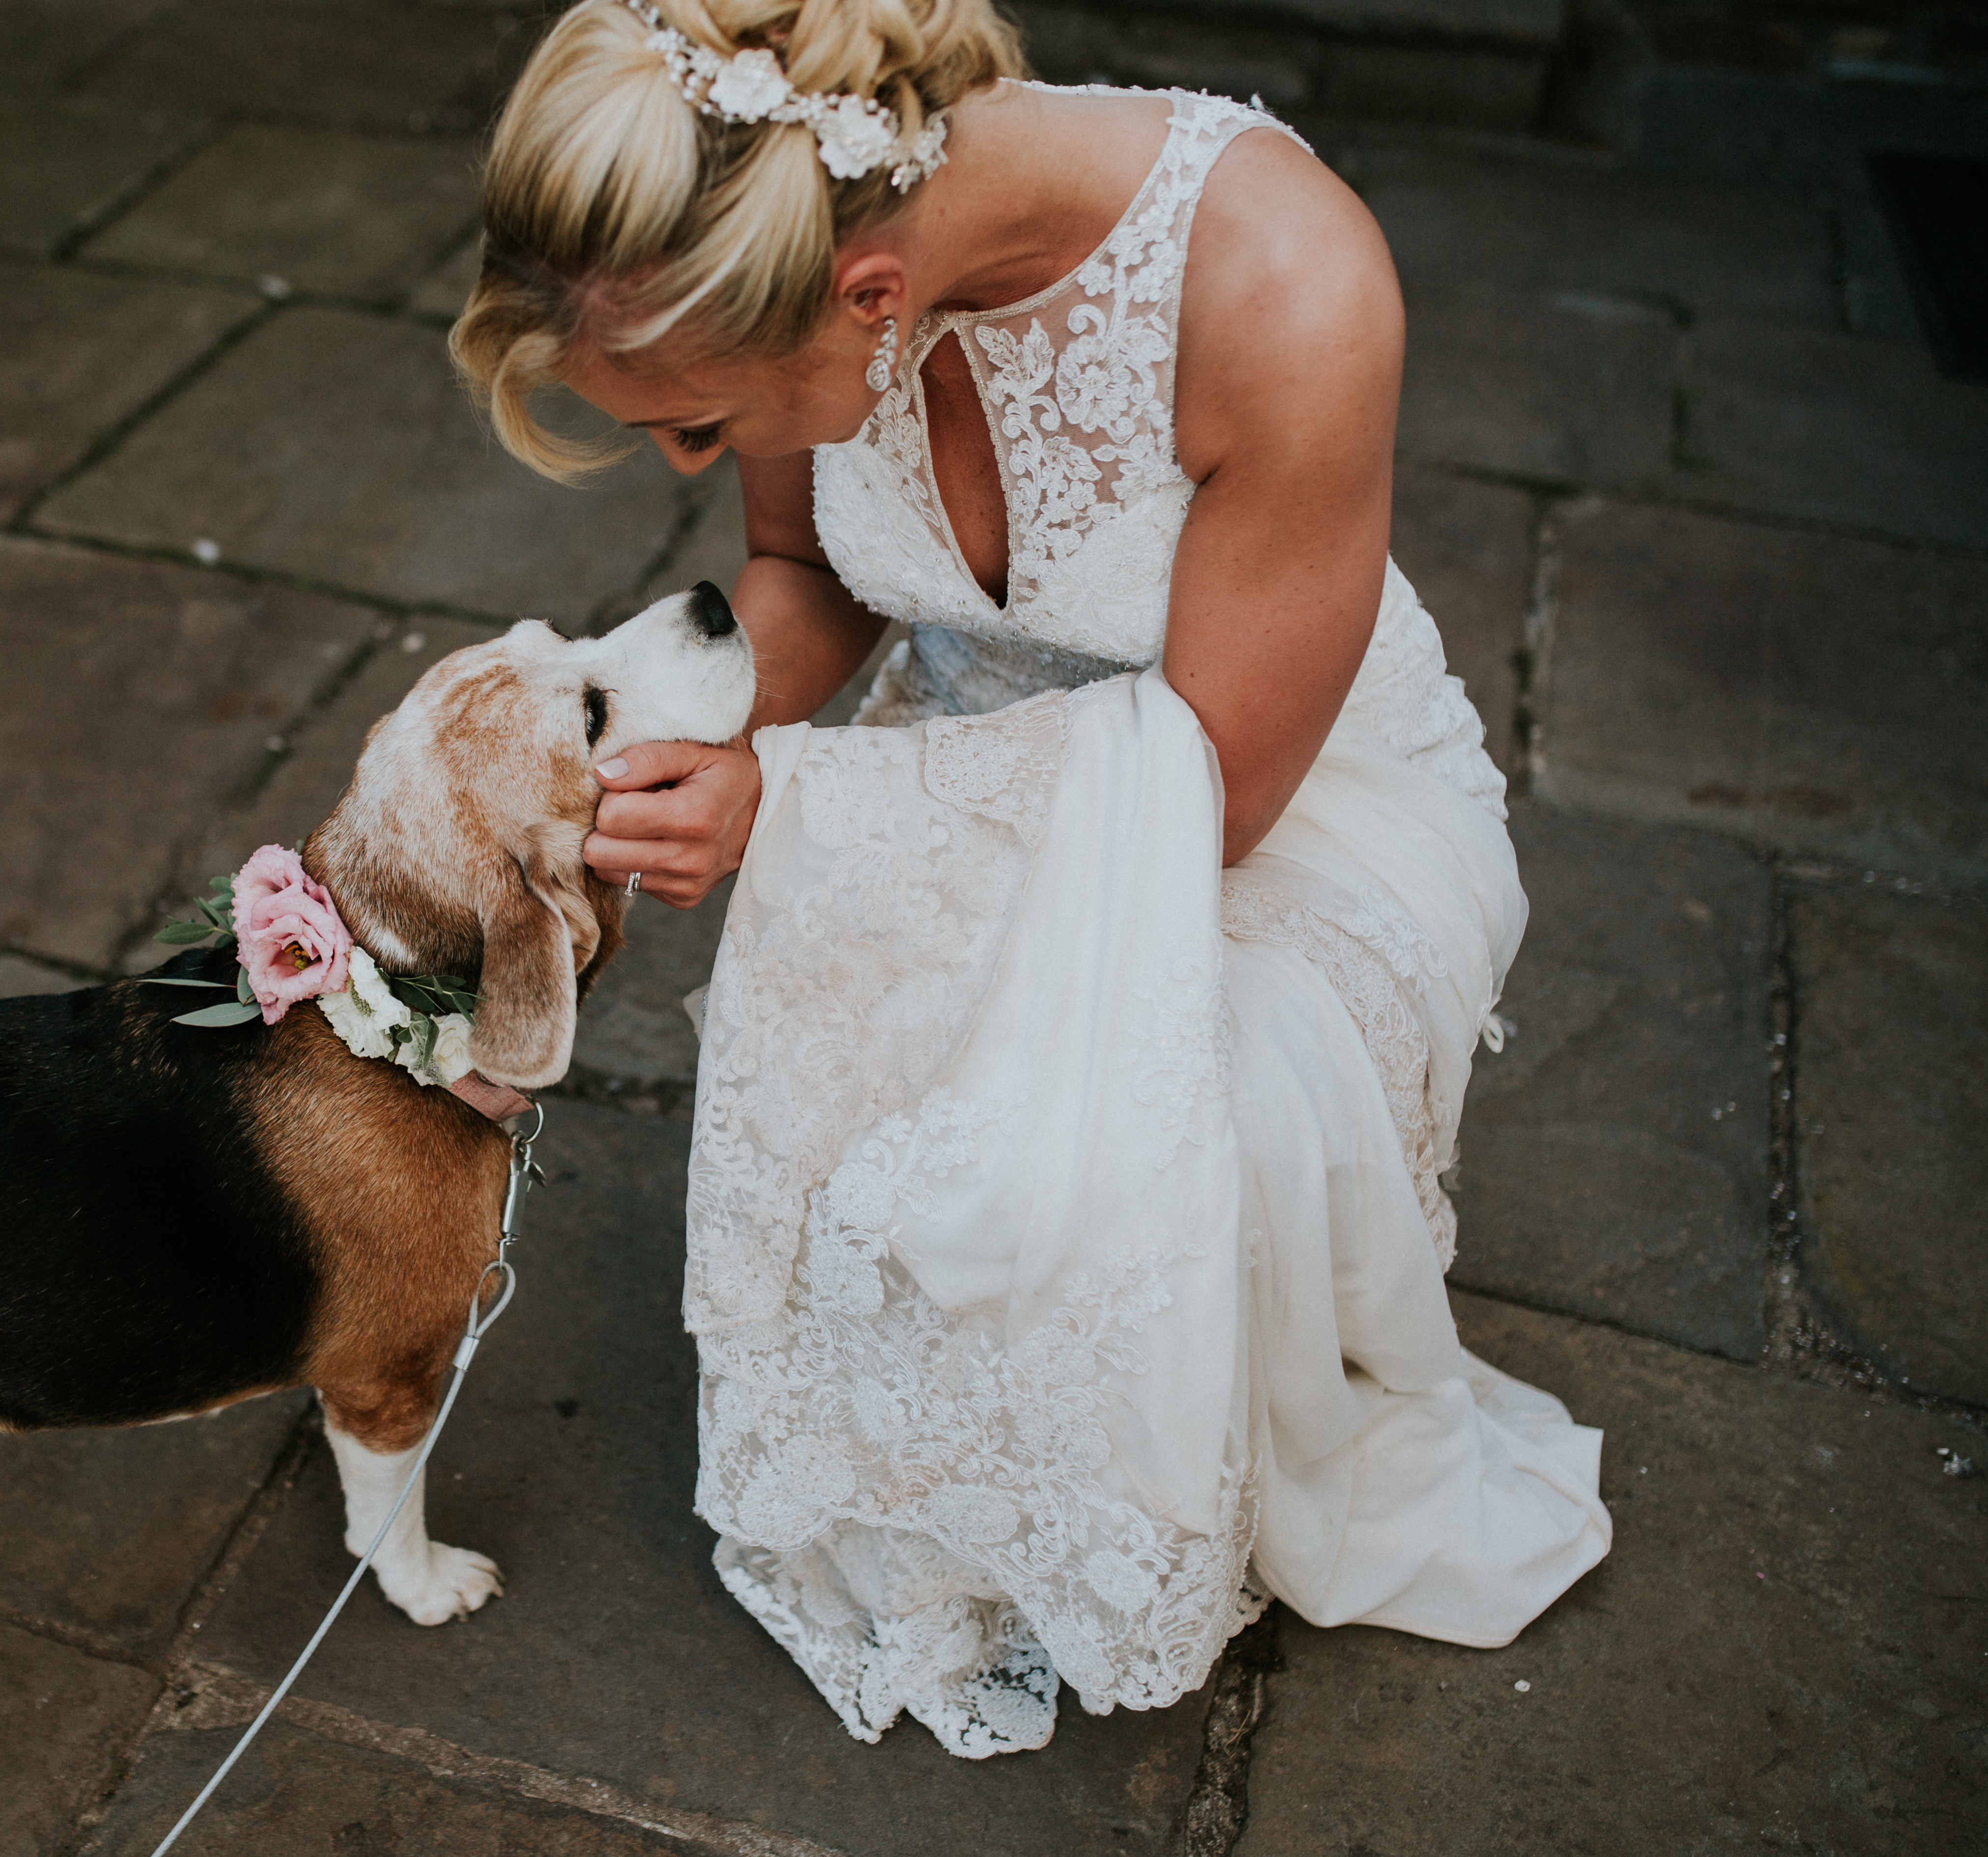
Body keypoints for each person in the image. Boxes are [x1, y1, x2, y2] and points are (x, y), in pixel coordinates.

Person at [450, 0, 1612, 1758]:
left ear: (871, 305)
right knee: (906, 1157)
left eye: (697, 424)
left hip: (1282, 810)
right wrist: (652, 744)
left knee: (1163, 1128)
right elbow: (812, 576)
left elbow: (1213, 794)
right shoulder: (776, 230)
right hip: (962, 765)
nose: (692, 461)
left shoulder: (1285, 284)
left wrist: (799, 813)